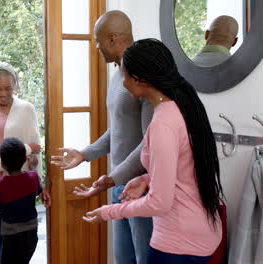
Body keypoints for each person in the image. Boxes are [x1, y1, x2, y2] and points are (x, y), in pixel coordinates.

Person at [83, 38, 223, 264]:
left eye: (126, 75)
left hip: (179, 242)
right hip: (199, 232)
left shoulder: (162, 124)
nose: (123, 82)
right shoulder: (182, 107)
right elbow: (184, 167)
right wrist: (147, 179)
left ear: (140, 79)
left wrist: (109, 211)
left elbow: (159, 203)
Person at [50, 10, 153, 264]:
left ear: (112, 39)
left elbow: (149, 142)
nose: (96, 47)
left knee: (145, 259)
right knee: (122, 259)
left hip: (141, 187)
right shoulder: (118, 75)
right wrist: (85, 154)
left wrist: (114, 178)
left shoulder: (143, 77)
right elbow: (117, 131)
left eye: (97, 41)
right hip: (118, 183)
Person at [0, 62, 51, 263]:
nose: (3, 93)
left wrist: (40, 185)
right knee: (0, 244)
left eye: (8, 88)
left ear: (15, 85)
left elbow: (35, 149)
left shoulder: (26, 109)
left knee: (23, 245)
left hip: (20, 188)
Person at [0, 137, 42, 264]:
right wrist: (33, 168)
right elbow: (38, 189)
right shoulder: (33, 177)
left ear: (2, 163)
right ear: (25, 159)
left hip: (11, 238)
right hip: (31, 235)